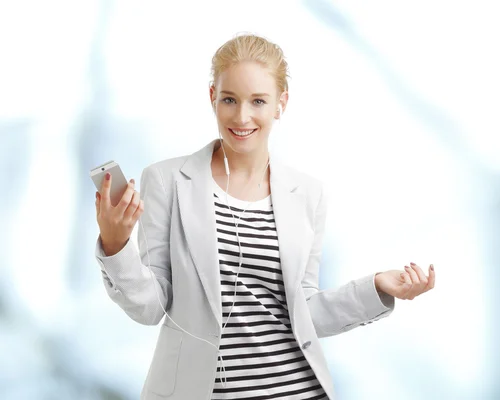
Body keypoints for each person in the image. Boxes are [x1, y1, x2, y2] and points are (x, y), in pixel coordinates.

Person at [94, 33, 435, 400]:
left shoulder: (307, 194)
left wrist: (377, 287)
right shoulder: (166, 181)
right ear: (212, 97)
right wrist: (116, 246)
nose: (242, 117)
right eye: (229, 100)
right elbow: (150, 308)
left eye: (258, 101)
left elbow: (305, 312)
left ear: (280, 103)